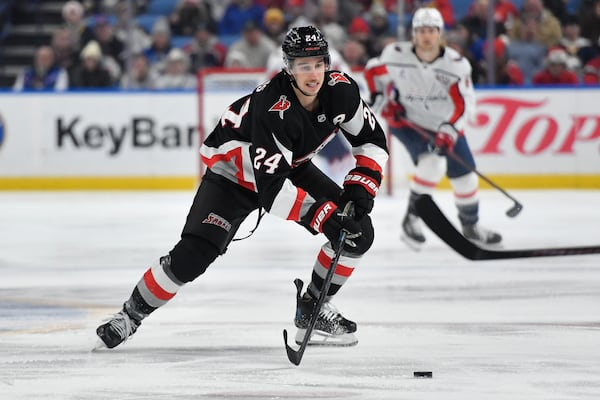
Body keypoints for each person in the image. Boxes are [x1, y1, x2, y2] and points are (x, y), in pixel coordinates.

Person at [96, 26, 388, 350]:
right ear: (288, 68)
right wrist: (323, 216)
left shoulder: (341, 91)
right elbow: (272, 192)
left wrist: (363, 184)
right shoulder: (272, 106)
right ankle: (130, 315)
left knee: (358, 232)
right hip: (232, 175)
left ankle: (312, 309)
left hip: (289, 165)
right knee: (192, 256)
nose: (313, 73)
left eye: (318, 63)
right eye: (304, 65)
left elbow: (371, 139)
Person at [364, 7, 502, 250]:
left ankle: (470, 226)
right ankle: (412, 219)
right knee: (432, 163)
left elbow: (464, 103)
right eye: (421, 31)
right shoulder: (395, 54)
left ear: (440, 33)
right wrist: (382, 98)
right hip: (408, 123)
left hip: (445, 124)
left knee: (466, 178)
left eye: (431, 30)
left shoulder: (456, 64)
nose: (426, 36)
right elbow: (373, 69)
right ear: (413, 34)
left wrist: (448, 131)